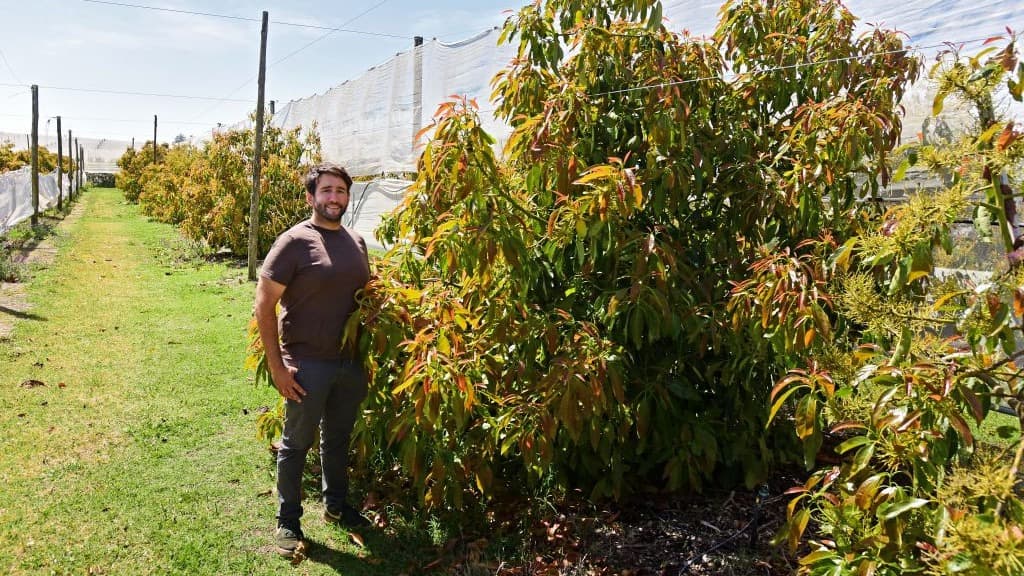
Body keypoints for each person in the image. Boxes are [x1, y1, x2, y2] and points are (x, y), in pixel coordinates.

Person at [253, 162, 371, 558]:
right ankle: (288, 520)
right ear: (311, 197)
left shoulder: (356, 242)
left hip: (348, 362)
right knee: (296, 443)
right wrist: (277, 366)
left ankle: (336, 505)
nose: (334, 197)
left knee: (337, 438)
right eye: (326, 190)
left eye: (340, 191)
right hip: (307, 363)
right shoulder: (294, 241)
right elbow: (263, 304)